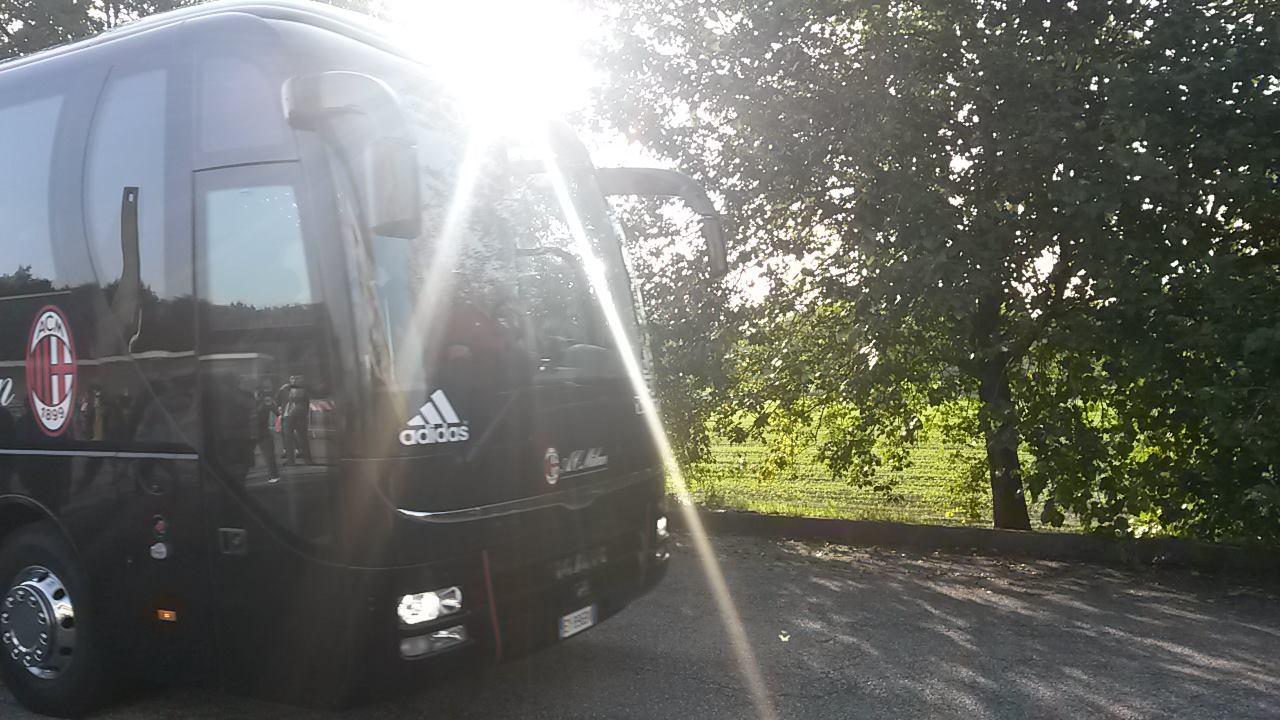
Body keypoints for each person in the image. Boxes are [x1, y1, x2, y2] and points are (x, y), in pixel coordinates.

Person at [276, 374, 312, 465]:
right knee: (288, 439)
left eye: (296, 378)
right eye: (292, 378)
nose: (294, 380)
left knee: (302, 438)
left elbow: (306, 403)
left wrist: (304, 414)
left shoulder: (303, 390)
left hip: (299, 416)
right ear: (289, 379)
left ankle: (308, 460)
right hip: (287, 416)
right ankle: (291, 460)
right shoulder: (284, 389)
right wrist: (280, 408)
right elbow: (278, 400)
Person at [251, 387, 279, 482]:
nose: (258, 395)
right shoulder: (251, 403)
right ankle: (274, 475)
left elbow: (277, 412)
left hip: (261, 432)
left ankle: (274, 475)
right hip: (254, 432)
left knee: (269, 455)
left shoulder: (266, 403)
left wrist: (271, 404)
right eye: (257, 393)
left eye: (260, 394)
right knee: (245, 456)